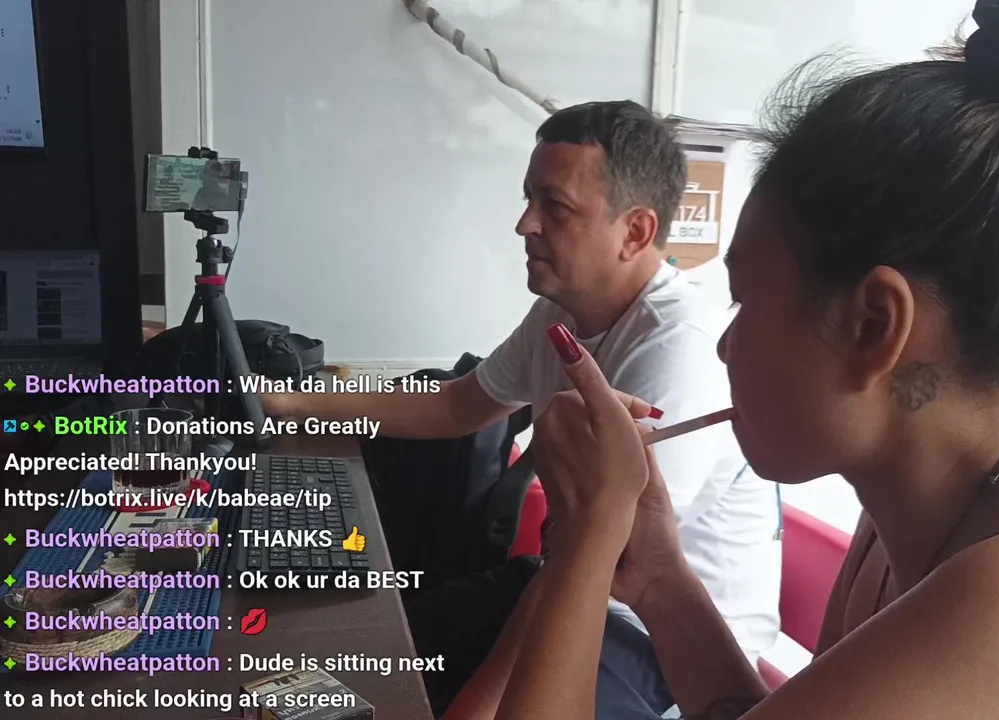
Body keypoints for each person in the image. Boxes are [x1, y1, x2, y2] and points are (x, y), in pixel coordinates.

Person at [455, 2, 999, 718]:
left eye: (745, 300)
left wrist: (586, 541)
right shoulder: (922, 510)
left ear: (877, 326)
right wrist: (664, 576)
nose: (726, 345)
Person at [261, 101, 781, 716]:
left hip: (656, 643)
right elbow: (458, 403)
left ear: (635, 232)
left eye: (554, 206)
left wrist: (477, 706)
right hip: (566, 578)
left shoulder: (679, 346)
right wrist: (288, 402)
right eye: (528, 199)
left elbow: (605, 556)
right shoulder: (560, 310)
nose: (524, 224)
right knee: (382, 652)